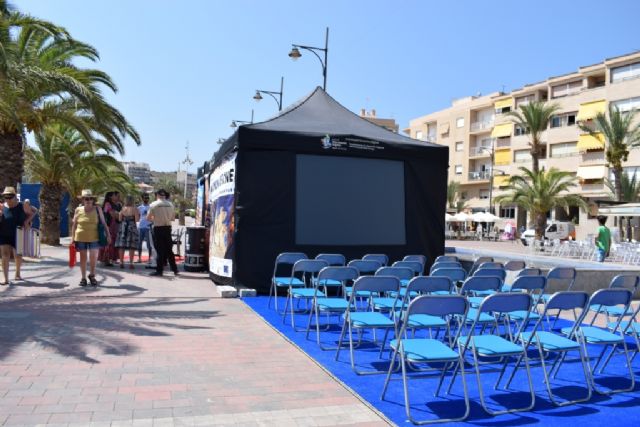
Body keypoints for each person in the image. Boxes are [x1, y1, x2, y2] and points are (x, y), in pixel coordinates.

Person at [71, 189, 110, 286]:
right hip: (80, 237)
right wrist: (72, 238)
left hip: (94, 237)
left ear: (93, 200)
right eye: (86, 199)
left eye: (90, 199)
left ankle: (92, 275)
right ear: (83, 200)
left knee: (93, 258)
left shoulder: (98, 209)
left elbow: (104, 223)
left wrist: (108, 235)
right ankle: (83, 278)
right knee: (83, 258)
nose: (88, 200)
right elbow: (74, 225)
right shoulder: (78, 209)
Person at [0, 187, 36, 285]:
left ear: (15, 196)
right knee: (5, 255)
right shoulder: (2, 206)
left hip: (18, 233)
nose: (8, 199)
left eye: (10, 196)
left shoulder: (22, 206)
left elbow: (33, 212)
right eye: (6, 197)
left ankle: (17, 273)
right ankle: (5, 278)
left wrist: (27, 221)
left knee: (18, 255)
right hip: (4, 233)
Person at [147, 189, 178, 276]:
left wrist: (156, 218)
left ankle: (159, 271)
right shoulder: (171, 205)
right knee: (169, 250)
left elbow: (148, 218)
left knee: (160, 250)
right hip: (168, 228)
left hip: (158, 228)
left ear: (157, 195)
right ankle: (175, 269)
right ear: (165, 195)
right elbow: (173, 218)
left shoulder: (153, 204)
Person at [115, 195, 140, 269]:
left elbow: (119, 219)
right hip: (132, 227)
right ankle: (131, 263)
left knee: (121, 245)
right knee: (131, 246)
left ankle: (121, 262)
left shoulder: (123, 209)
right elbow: (137, 220)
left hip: (123, 226)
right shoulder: (135, 209)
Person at [99, 192, 120, 266]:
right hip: (109, 225)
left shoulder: (115, 204)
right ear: (110, 197)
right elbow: (112, 214)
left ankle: (109, 259)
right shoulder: (108, 204)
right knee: (109, 242)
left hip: (113, 225)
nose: (116, 196)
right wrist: (118, 214)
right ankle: (106, 259)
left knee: (112, 242)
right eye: (115, 195)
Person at [137, 193, 152, 263]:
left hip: (148, 227)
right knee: (139, 243)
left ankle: (149, 258)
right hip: (141, 227)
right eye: (145, 198)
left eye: (147, 198)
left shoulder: (151, 207)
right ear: (142, 199)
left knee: (149, 244)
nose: (146, 199)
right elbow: (137, 218)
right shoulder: (139, 208)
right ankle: (139, 258)